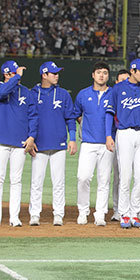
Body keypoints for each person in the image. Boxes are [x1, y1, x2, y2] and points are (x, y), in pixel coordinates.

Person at [105, 59, 140, 229]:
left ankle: (135, 212)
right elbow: (109, 113)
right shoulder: (118, 88)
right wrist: (109, 136)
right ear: (132, 70)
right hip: (124, 134)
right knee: (125, 176)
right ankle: (124, 213)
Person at [29, 61, 77, 226]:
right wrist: (30, 138)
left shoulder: (63, 94)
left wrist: (72, 138)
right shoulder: (32, 94)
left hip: (58, 144)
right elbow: (28, 118)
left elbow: (70, 118)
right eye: (53, 73)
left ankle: (58, 214)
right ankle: (34, 214)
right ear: (44, 75)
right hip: (39, 145)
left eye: (57, 73)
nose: (57, 75)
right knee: (36, 181)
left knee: (58, 182)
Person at [73, 62, 115, 226]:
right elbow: (76, 114)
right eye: (99, 72)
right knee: (83, 177)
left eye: (105, 72)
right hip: (88, 142)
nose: (102, 75)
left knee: (104, 180)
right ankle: (83, 211)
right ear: (93, 75)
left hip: (107, 143)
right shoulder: (83, 94)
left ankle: (100, 213)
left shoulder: (113, 94)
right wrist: (85, 124)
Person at [0, 61, 37, 227]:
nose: (18, 75)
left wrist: (32, 136)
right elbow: (3, 92)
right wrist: (16, 78)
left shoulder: (26, 91)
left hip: (20, 143)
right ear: (7, 74)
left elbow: (33, 115)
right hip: (1, 142)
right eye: (14, 73)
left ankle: (14, 217)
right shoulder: (2, 87)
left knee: (16, 181)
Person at [110, 69, 130, 222]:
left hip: (132, 139)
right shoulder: (114, 95)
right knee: (119, 175)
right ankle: (117, 209)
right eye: (121, 80)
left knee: (136, 174)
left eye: (127, 80)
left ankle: (137, 208)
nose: (125, 83)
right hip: (115, 139)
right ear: (116, 83)